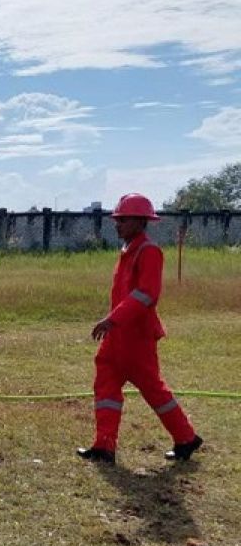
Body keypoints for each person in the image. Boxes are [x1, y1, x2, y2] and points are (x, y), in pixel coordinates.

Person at [76, 193, 203, 464]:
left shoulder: (149, 252)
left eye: (123, 219)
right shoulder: (128, 251)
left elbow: (147, 294)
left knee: (153, 390)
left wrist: (113, 319)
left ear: (140, 221)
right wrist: (113, 323)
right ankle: (104, 445)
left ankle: (186, 438)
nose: (117, 224)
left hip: (137, 338)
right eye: (117, 219)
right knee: (105, 385)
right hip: (117, 337)